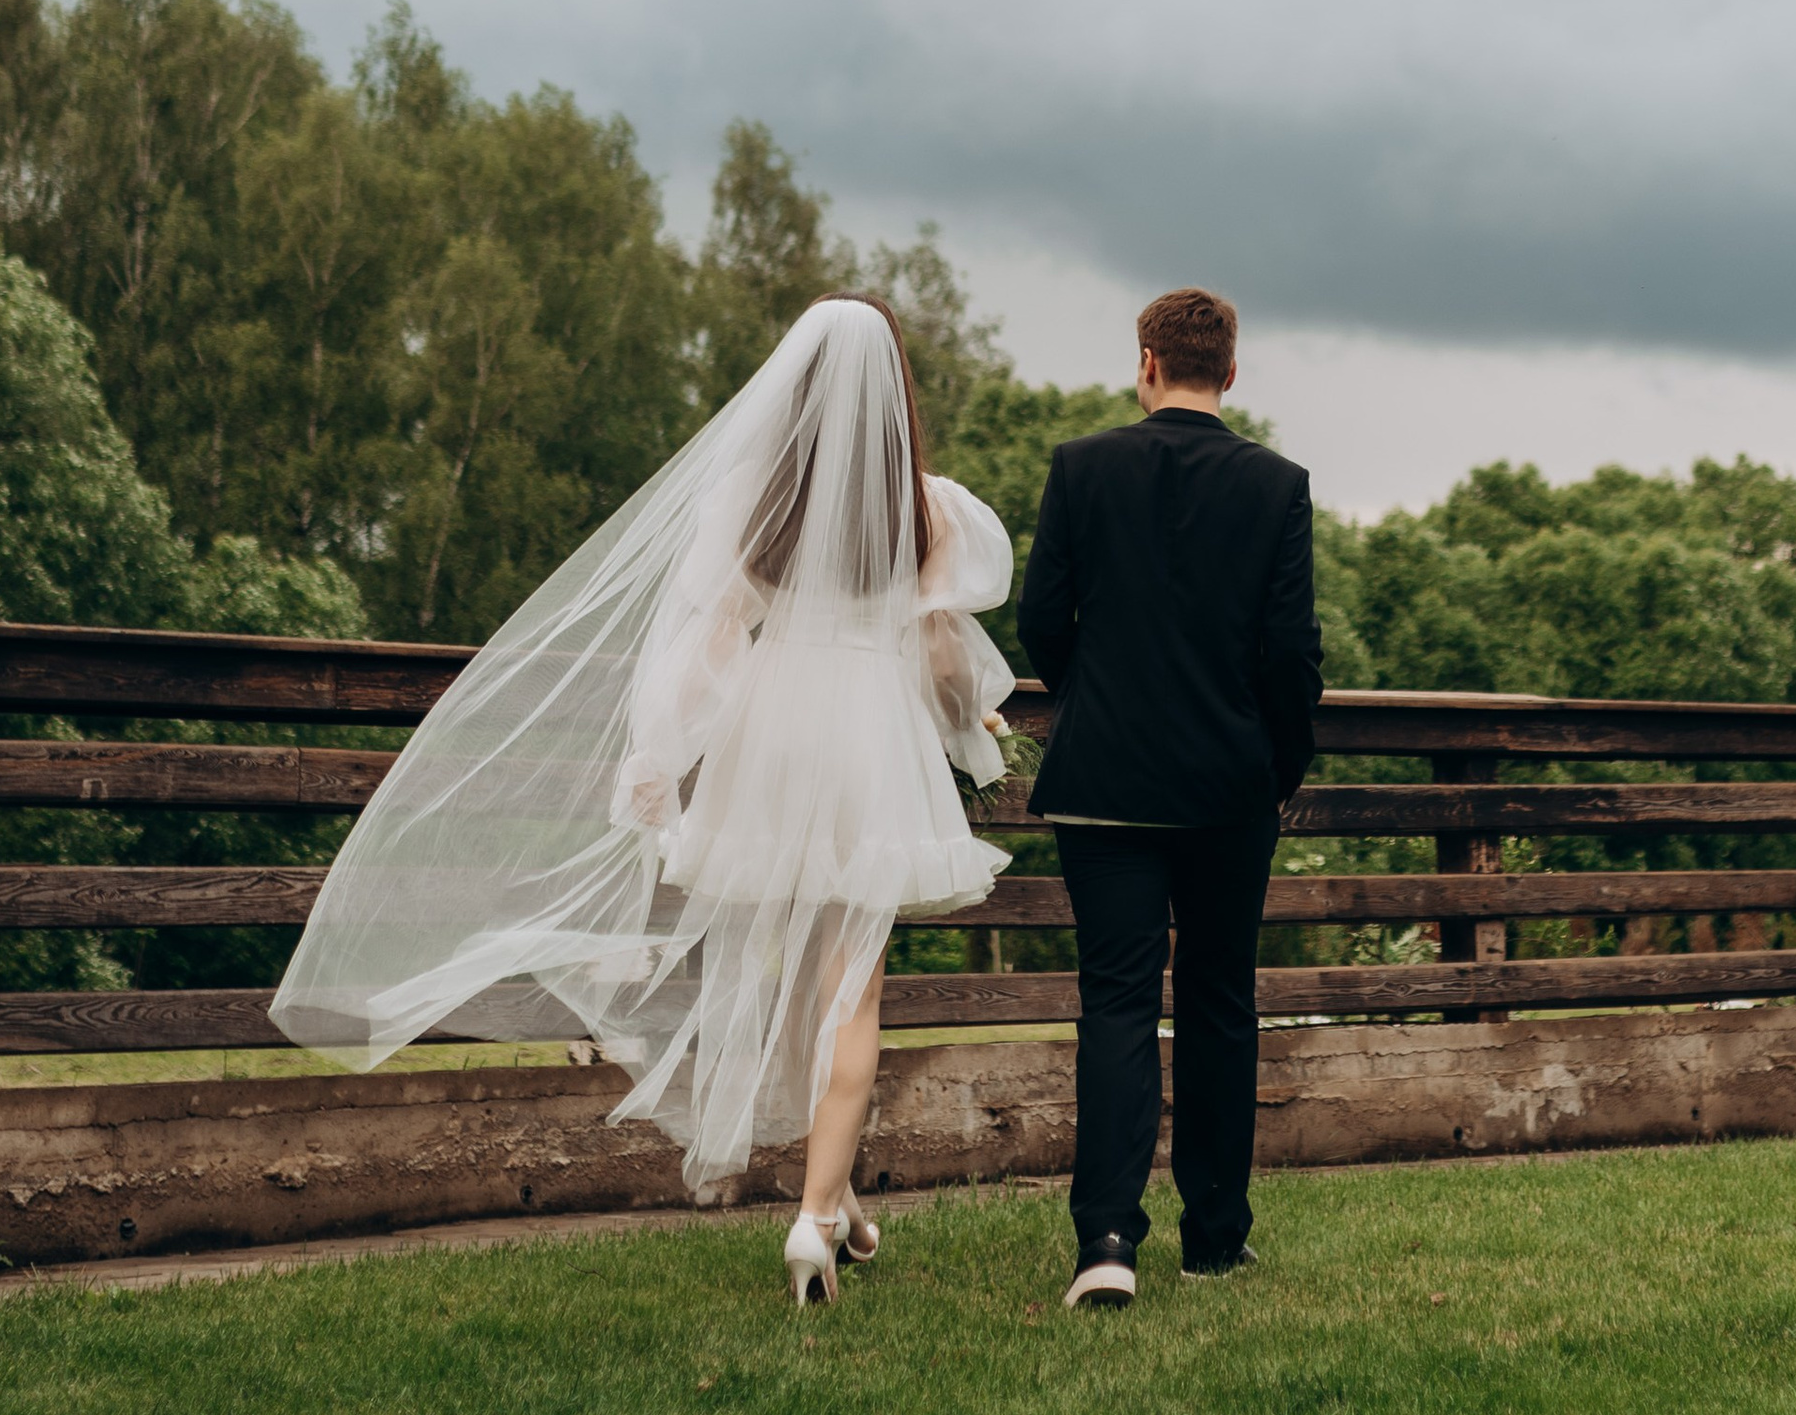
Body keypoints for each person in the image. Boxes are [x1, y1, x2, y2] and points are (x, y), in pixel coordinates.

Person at [272, 293, 1014, 1305]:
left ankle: (834, 1206)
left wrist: (658, 753)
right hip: (866, 741)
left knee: (792, 977)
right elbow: (937, 652)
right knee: (850, 992)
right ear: (894, 391)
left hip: (774, 736)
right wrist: (974, 723)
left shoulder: (755, 497)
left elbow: (711, 638)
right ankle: (813, 1216)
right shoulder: (927, 509)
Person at [1017, 285, 1322, 1311]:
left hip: (1103, 779)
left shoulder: (1080, 467)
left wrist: (1095, 695)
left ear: (1145, 361)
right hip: (1228, 785)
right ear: (1229, 372)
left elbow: (1040, 626)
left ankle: (1105, 1239)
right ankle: (1214, 1238)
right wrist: (1277, 769)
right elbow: (1292, 657)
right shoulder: (1277, 485)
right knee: (1219, 1003)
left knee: (1113, 1001)